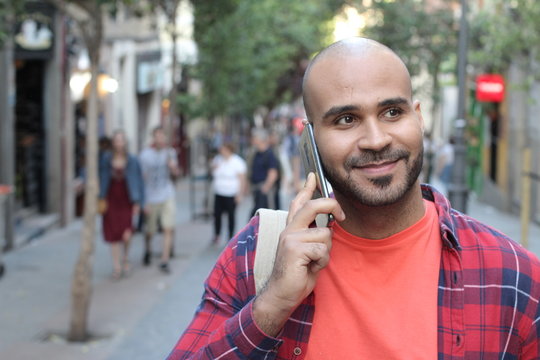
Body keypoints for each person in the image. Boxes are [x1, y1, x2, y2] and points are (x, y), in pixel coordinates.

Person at [167, 38, 540, 359]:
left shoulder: (513, 275)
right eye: (346, 120)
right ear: (309, 140)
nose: (376, 140)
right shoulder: (256, 253)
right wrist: (272, 305)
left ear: (419, 118)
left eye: (392, 112)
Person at [98, 130, 144, 280]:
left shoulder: (132, 160)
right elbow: (101, 177)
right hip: (111, 200)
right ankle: (117, 266)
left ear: (125, 142)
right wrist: (100, 197)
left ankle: (126, 258)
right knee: (114, 235)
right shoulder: (106, 159)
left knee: (127, 233)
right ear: (113, 143)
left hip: (127, 199)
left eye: (121, 140)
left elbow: (138, 181)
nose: (119, 143)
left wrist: (138, 202)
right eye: (116, 140)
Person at [139, 126, 180, 274]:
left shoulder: (170, 153)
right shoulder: (145, 155)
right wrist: (143, 201)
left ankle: (164, 259)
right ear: (153, 137)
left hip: (167, 194)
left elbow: (176, 174)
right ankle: (148, 249)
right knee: (150, 230)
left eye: (162, 136)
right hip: (151, 196)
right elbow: (141, 180)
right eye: (157, 136)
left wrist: (173, 167)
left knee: (168, 227)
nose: (160, 139)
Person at [210, 142, 247, 245]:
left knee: (231, 215)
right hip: (219, 191)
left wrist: (240, 194)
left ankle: (230, 235)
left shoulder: (237, 162)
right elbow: (213, 172)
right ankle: (217, 234)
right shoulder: (218, 159)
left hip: (231, 192)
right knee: (217, 214)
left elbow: (242, 179)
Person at [248, 128, 280, 217]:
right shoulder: (257, 153)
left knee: (263, 217)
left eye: (254, 138)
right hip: (258, 190)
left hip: (265, 191)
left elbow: (273, 173)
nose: (252, 140)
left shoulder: (269, 154)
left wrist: (266, 187)